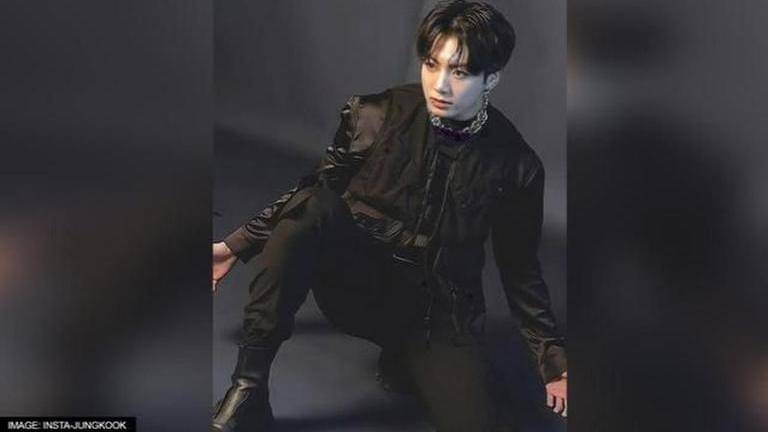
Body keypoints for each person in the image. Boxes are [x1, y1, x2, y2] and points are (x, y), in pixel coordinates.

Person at [211, 1, 567, 431]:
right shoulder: (376, 115)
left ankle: (408, 361)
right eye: (432, 64)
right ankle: (248, 388)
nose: (440, 85)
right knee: (315, 206)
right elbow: (309, 195)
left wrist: (552, 361)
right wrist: (234, 245)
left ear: (491, 78)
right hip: (356, 288)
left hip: (434, 318)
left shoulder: (516, 166)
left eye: (459, 72)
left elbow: (521, 271)